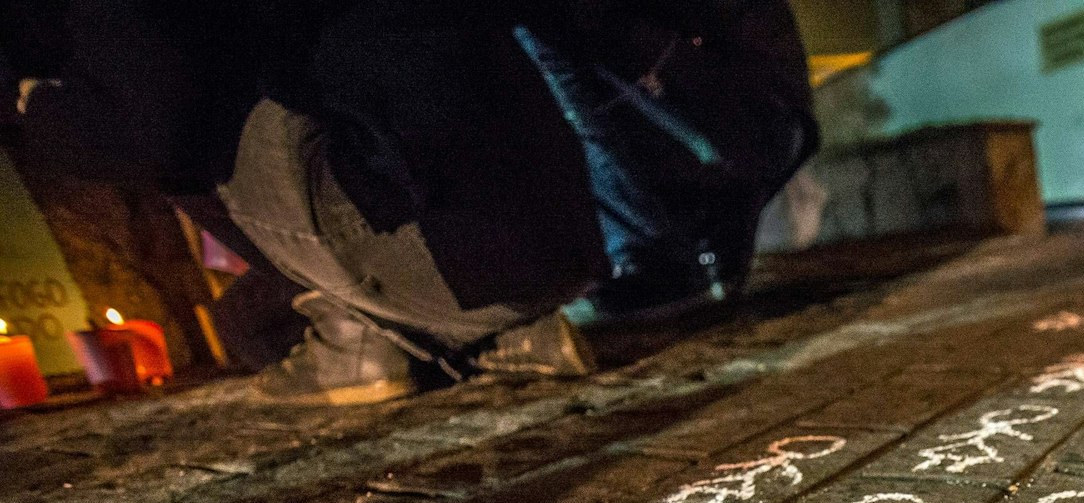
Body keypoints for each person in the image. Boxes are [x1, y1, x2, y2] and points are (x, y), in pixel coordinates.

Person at [4, 1, 815, 405]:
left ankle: (374, 332)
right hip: (573, 247)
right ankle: (488, 321)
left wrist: (26, 105)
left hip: (529, 239)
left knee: (203, 172)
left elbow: (162, 128)